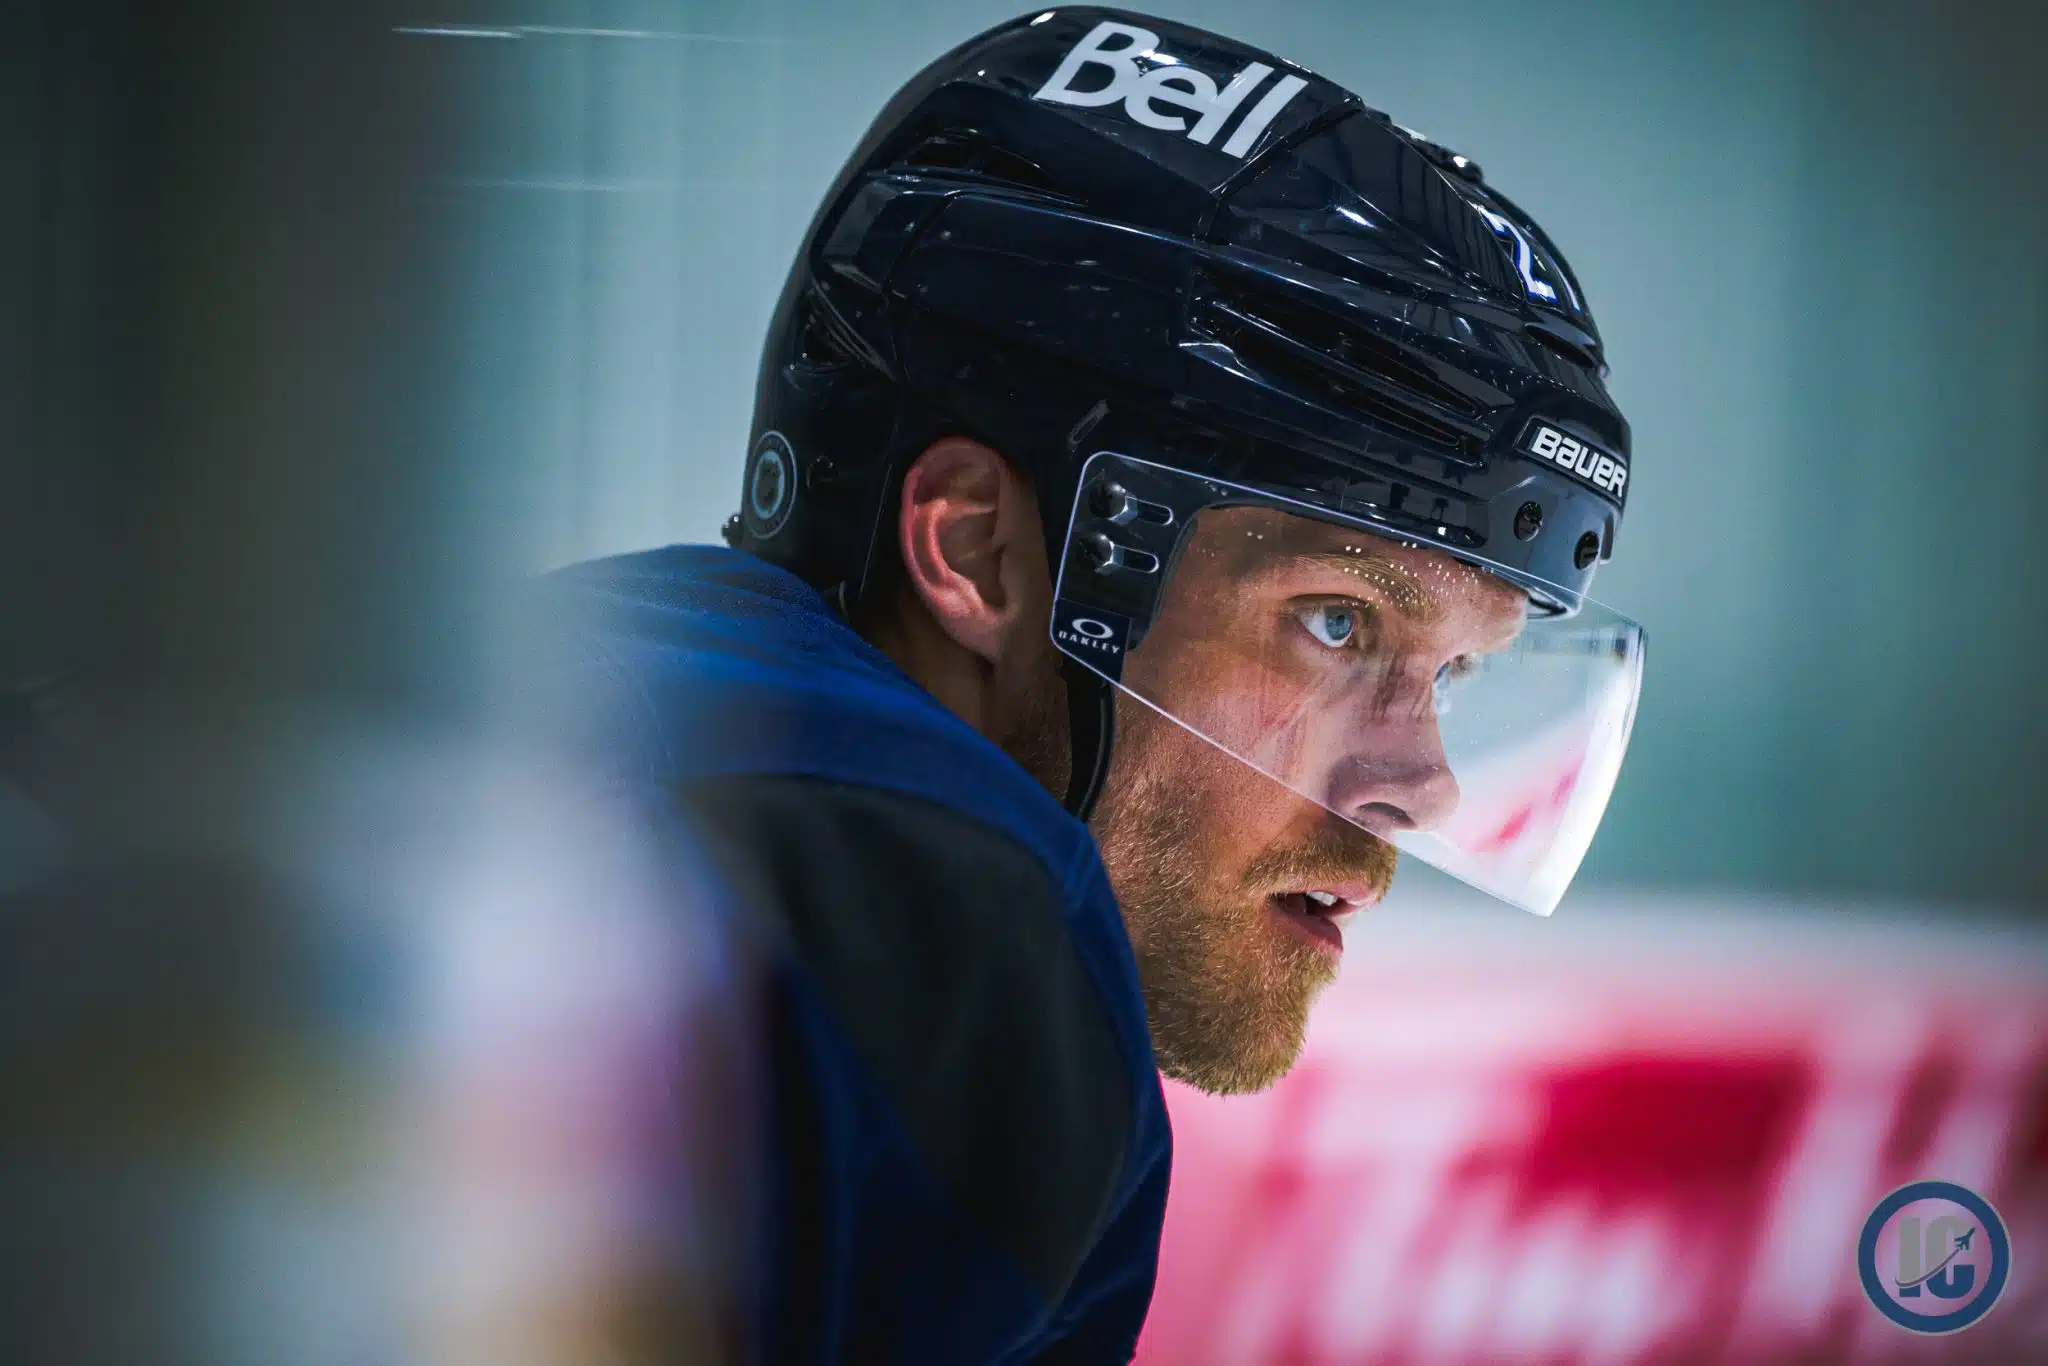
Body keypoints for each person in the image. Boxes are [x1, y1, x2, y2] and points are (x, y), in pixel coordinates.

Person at [539, 8, 1646, 1362]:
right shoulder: (967, 917)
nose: (1422, 789)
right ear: (979, 550)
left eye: (1454, 672)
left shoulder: (579, 681)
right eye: (1337, 622)